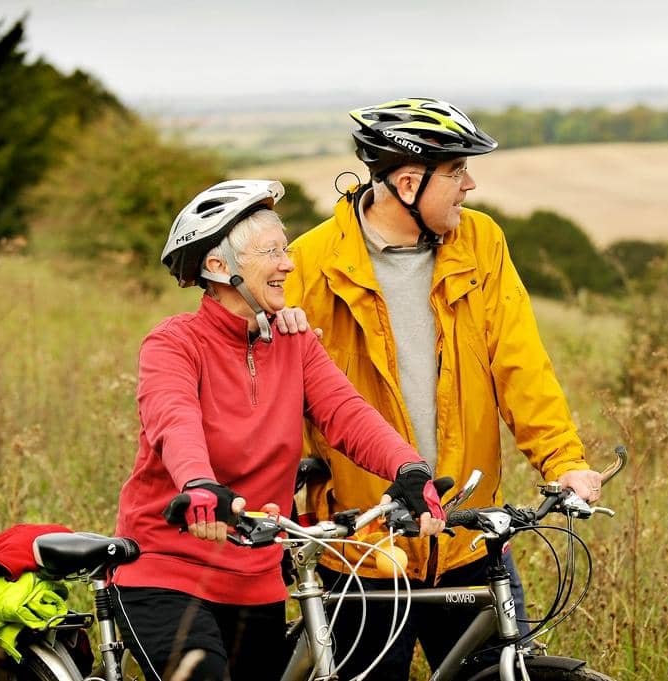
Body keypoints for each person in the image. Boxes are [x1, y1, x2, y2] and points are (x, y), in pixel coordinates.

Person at [283, 98, 604, 679]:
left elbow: (521, 364)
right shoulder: (308, 264)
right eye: (456, 172)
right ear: (408, 181)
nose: (470, 184)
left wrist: (563, 461)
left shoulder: (481, 243)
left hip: (469, 541)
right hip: (365, 552)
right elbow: (277, 403)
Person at [109, 179, 445, 681]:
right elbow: (172, 419)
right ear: (218, 267)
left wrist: (409, 467)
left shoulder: (295, 343)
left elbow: (347, 414)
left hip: (256, 579)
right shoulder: (174, 343)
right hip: (168, 572)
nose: (288, 263)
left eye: (285, 249)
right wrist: (199, 485)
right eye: (272, 252)